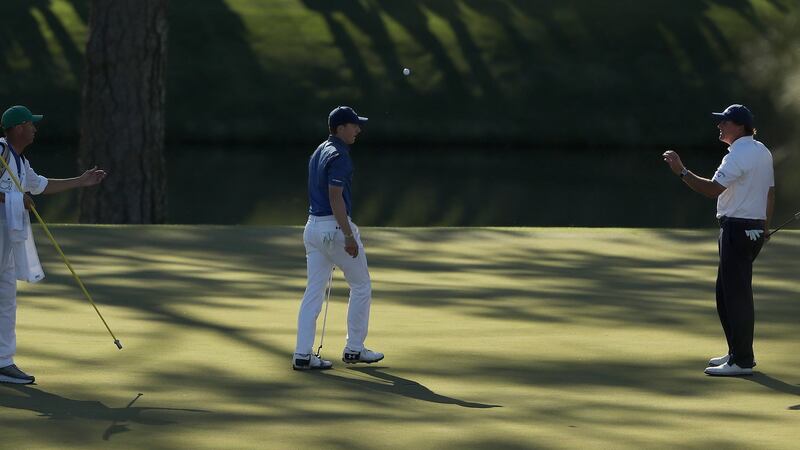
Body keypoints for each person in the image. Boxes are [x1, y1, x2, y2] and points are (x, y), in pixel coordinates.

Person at [663, 104, 774, 376]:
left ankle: (742, 361)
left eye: (724, 122)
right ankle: (736, 352)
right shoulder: (761, 151)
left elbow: (712, 190)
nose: (720, 126)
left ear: (739, 126)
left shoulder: (737, 155)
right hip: (753, 229)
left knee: (735, 296)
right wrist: (765, 228)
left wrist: (681, 171)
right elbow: (770, 193)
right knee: (726, 294)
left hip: (736, 229)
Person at [0, 105, 107, 384]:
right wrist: (12, 200)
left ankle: (2, 361)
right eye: (32, 124)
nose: (35, 129)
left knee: (6, 298)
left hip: (7, 241)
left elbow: (41, 186)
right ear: (19, 127)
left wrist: (81, 182)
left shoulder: (20, 162)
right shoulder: (0, 151)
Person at [292, 106, 384, 370]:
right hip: (334, 229)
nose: (358, 129)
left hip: (312, 229)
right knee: (361, 285)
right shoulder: (340, 155)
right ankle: (355, 349)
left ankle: (302, 354)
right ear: (341, 127)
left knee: (313, 291)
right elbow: (335, 197)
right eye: (354, 125)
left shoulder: (319, 150)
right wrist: (348, 235)